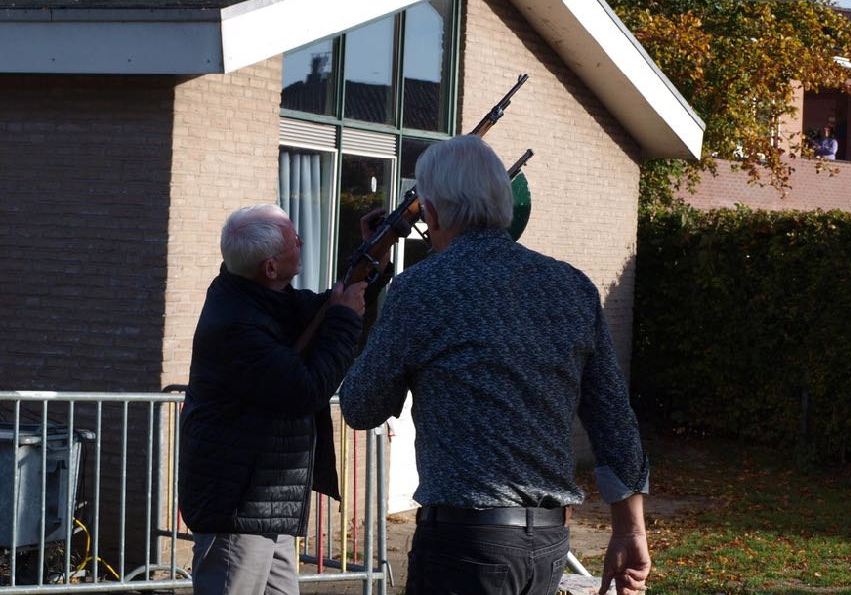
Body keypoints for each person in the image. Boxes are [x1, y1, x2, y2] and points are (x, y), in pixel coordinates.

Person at [339, 135, 651, 595]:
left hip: (463, 548)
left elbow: (361, 406)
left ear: (433, 211)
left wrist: (359, 306)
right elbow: (614, 424)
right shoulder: (572, 287)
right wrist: (631, 531)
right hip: (546, 546)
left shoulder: (420, 291)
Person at [178, 203, 368, 595]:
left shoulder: (254, 296)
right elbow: (307, 389)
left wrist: (367, 255)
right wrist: (346, 320)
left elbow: (324, 307)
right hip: (239, 502)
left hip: (263, 501)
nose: (301, 243)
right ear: (269, 268)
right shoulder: (239, 325)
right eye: (293, 242)